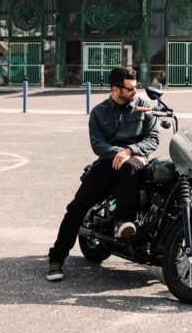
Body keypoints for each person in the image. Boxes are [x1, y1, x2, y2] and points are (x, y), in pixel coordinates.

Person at [46, 67, 159, 281]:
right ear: (116, 90)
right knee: (76, 208)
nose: (136, 92)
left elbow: (153, 138)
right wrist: (117, 153)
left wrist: (129, 152)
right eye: (131, 89)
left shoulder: (144, 107)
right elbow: (98, 144)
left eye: (136, 87)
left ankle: (124, 223)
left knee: (139, 170)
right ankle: (57, 258)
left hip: (135, 162)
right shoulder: (99, 112)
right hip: (107, 164)